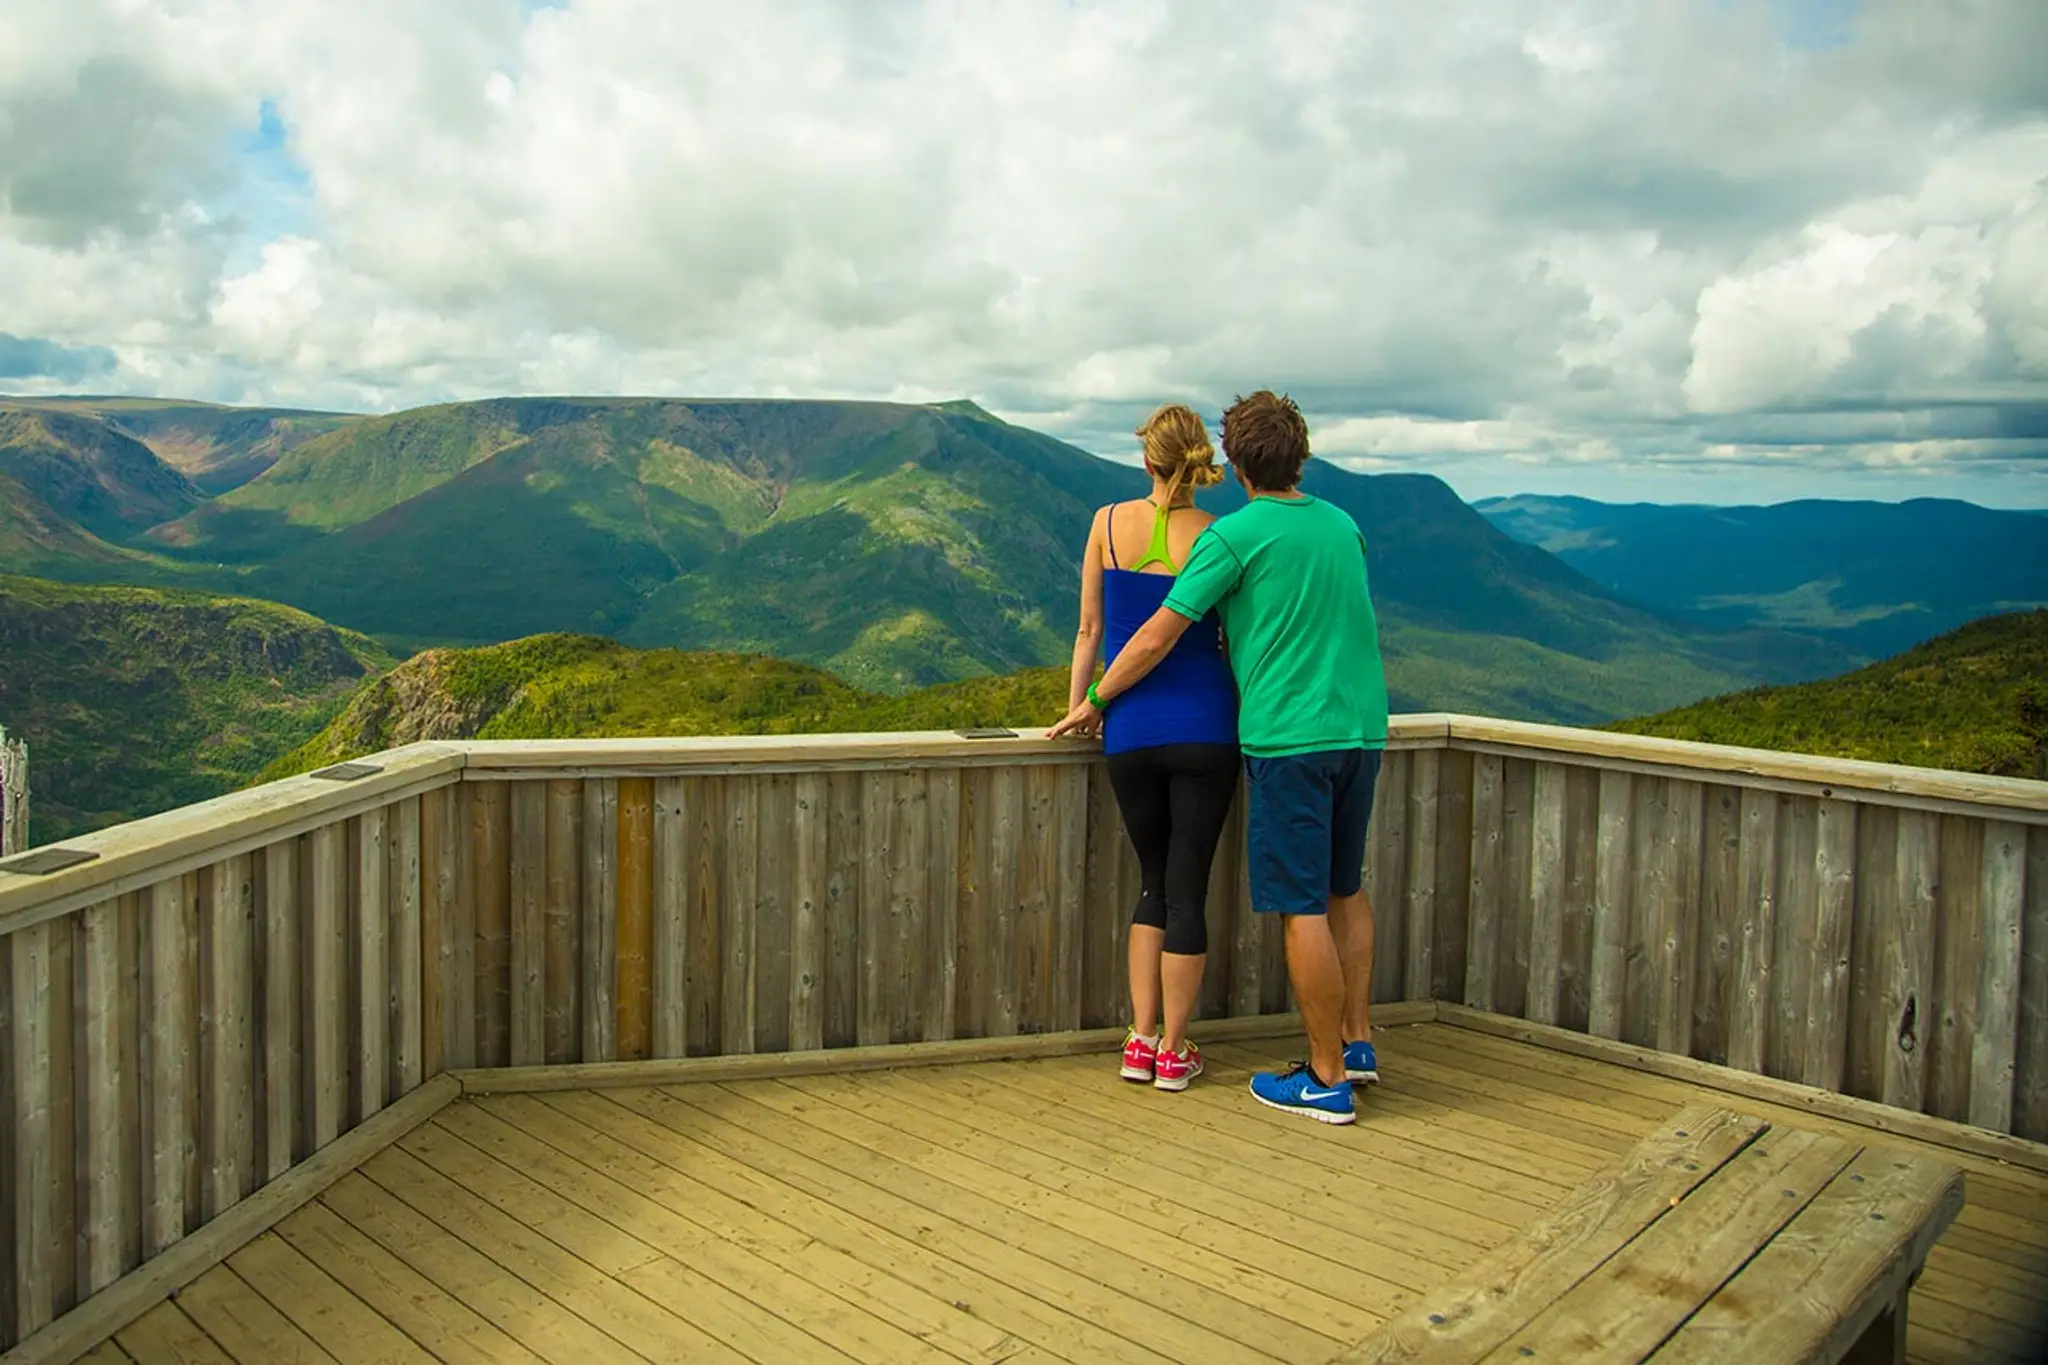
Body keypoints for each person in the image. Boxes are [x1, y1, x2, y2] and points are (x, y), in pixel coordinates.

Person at [1052, 390, 1387, 1124]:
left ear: (1237, 465)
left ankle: (1325, 1077)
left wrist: (1095, 701)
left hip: (1288, 736)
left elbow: (1150, 634)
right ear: (1302, 454)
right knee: (1344, 888)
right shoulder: (1343, 525)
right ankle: (1357, 1041)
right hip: (1362, 729)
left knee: (1300, 907)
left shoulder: (1234, 537)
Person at [1066, 403, 1240, 1092]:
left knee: (1150, 882)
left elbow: (1089, 629)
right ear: (1200, 465)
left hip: (1128, 728)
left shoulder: (1107, 523)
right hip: (1206, 727)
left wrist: (1080, 707)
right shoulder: (1221, 536)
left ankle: (1138, 1040)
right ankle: (1176, 1049)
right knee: (1187, 889)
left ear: (1147, 460)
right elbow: (1235, 636)